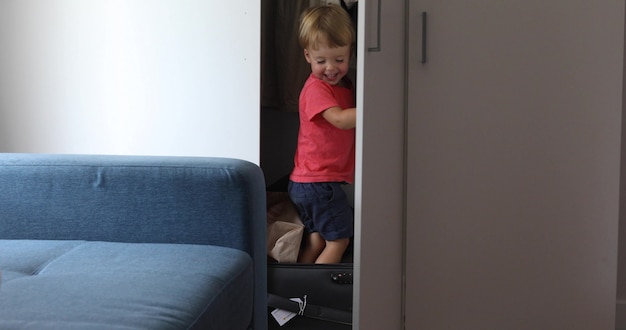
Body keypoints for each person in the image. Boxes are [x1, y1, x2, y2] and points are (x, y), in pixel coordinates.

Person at [288, 4, 356, 264]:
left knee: (317, 240)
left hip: (308, 183)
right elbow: (339, 119)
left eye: (339, 60)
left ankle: (298, 291)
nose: (331, 68)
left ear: (350, 53)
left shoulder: (343, 85)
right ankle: (316, 295)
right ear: (307, 56)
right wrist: (375, 109)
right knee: (339, 241)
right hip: (317, 184)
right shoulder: (316, 88)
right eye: (321, 61)